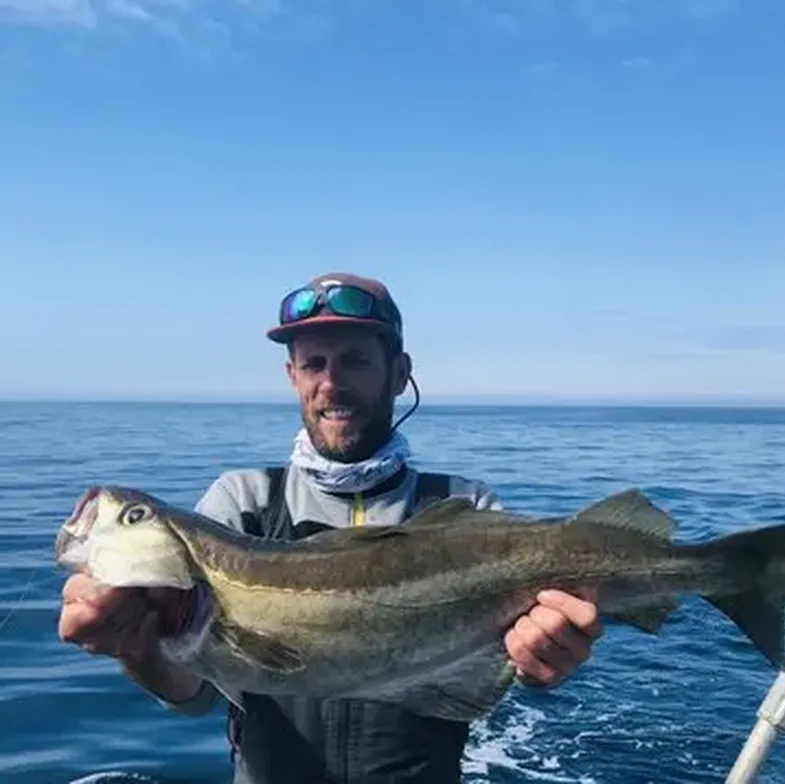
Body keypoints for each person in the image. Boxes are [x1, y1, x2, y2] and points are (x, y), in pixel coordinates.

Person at [58, 272, 603, 784]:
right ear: (291, 376)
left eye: (355, 361)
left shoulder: (465, 508)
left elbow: (498, 667)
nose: (331, 383)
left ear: (398, 373)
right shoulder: (243, 502)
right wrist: (136, 650)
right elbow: (197, 692)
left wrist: (544, 659)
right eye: (313, 362)